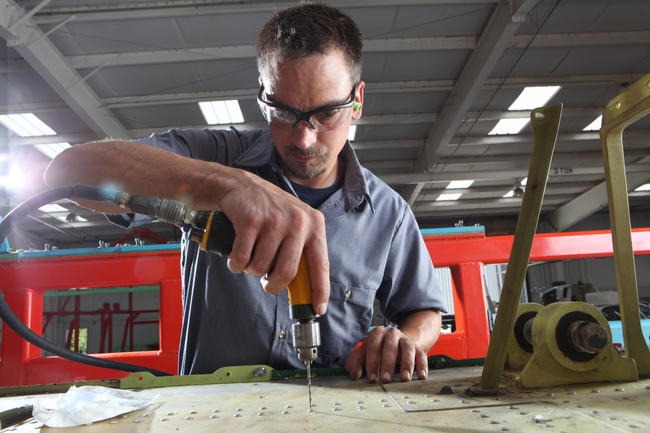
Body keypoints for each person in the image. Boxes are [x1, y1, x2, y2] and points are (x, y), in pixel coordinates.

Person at [45, 3, 444, 383]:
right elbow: (68, 172)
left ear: (356, 101)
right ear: (262, 97)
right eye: (283, 112)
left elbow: (424, 312)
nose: (304, 138)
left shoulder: (388, 213)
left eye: (326, 114)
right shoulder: (212, 158)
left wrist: (403, 340)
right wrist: (227, 184)